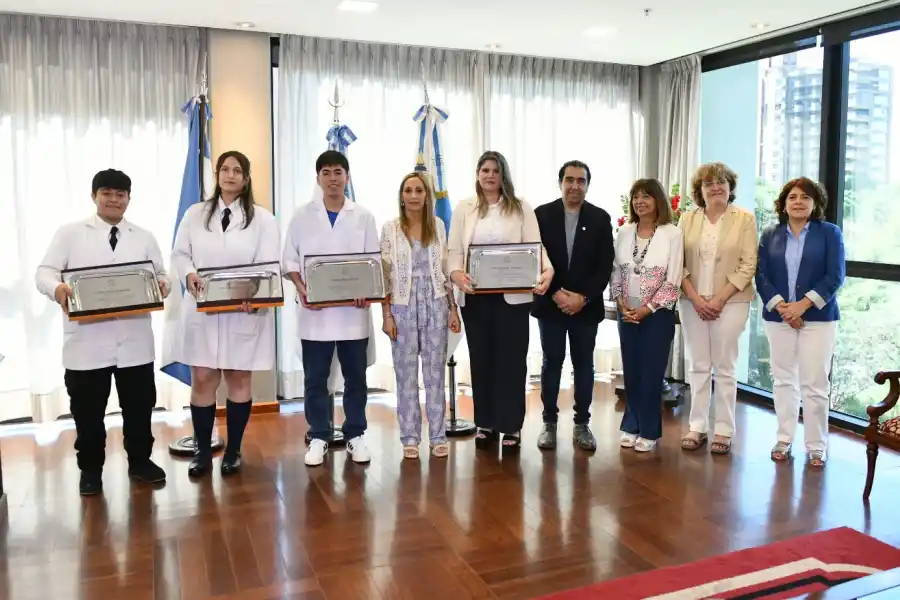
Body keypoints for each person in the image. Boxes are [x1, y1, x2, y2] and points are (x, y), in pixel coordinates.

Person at [35, 168, 169, 495]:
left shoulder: (144, 236)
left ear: (128, 199)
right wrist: (58, 290)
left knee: (139, 409)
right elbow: (44, 273)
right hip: (86, 344)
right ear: (94, 196)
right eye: (106, 193)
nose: (113, 200)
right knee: (88, 414)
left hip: (134, 344)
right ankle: (91, 470)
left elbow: (161, 274)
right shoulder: (69, 234)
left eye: (120, 195)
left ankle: (140, 461)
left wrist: (163, 285)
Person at [171, 150, 281, 478]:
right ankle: (203, 451)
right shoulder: (194, 214)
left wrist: (256, 294)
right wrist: (188, 274)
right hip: (202, 308)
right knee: (203, 377)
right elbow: (179, 253)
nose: (230, 175)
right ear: (216, 175)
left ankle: (233, 451)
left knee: (238, 377)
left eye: (237, 170)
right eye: (224, 169)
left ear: (246, 179)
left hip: (242, 312)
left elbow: (267, 264)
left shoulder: (263, 219)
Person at [447, 150, 553, 452]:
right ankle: (486, 423)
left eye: (495, 170)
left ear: (503, 174)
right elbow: (453, 251)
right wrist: (455, 274)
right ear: (477, 175)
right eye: (484, 170)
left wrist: (548, 271)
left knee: (511, 361)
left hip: (514, 300)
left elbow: (537, 247)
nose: (489, 175)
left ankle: (511, 426)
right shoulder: (464, 209)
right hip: (475, 298)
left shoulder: (520, 208)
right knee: (482, 360)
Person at [283, 150, 379, 467]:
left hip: (353, 314)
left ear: (347, 177)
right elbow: (290, 261)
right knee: (315, 379)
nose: (333, 178)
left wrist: (366, 290)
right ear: (318, 178)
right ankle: (320, 435)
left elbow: (372, 262)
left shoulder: (363, 216)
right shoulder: (301, 215)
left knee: (355, 378)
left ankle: (355, 434)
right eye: (326, 172)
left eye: (338, 171)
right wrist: (301, 287)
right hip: (315, 315)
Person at [756, 177, 845, 468]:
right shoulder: (770, 234)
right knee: (783, 380)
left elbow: (835, 276)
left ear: (815, 203)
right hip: (778, 317)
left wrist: (802, 306)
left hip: (818, 319)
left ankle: (817, 445)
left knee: (815, 383)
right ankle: (784, 438)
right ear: (783, 203)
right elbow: (762, 275)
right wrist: (783, 307)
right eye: (792, 197)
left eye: (805, 197)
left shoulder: (830, 233)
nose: (798, 202)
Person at [532, 160, 613, 452]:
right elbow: (534, 259)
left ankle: (582, 424)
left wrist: (583, 298)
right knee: (552, 363)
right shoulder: (541, 215)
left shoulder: (600, 218)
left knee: (584, 365)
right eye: (569, 180)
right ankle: (549, 423)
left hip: (585, 308)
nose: (574, 185)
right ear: (560, 182)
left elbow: (604, 267)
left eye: (581, 180)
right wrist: (556, 294)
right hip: (550, 305)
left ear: (587, 185)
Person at [380, 172, 461, 459]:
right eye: (408, 190)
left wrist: (453, 308)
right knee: (405, 375)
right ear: (401, 196)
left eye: (419, 190)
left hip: (436, 303)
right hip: (402, 307)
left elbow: (445, 269)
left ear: (427, 196)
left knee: (435, 373)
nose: (413, 195)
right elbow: (385, 277)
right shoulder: (389, 229)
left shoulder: (438, 226)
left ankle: (438, 434)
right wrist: (386, 315)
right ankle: (410, 436)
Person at [678, 162, 757, 455]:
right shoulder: (687, 219)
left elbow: (748, 263)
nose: (716, 186)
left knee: (724, 366)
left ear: (730, 186)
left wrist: (719, 299)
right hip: (692, 301)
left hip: (732, 301)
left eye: (722, 181)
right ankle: (696, 426)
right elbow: (678, 264)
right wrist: (697, 299)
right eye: (709, 183)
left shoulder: (744, 219)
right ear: (700, 190)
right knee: (698, 364)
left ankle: (724, 429)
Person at [611, 178, 683, 452]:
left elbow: (673, 279)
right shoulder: (625, 231)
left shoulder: (672, 233)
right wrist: (621, 303)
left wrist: (647, 309)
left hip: (657, 314)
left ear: (658, 201)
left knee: (651, 374)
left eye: (646, 197)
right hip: (627, 311)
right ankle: (631, 424)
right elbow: (616, 271)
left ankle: (650, 430)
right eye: (635, 197)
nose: (640, 202)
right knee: (631, 371)